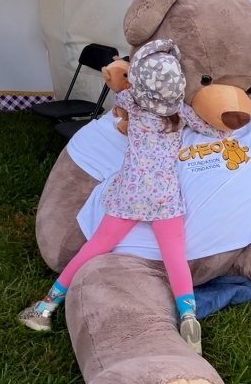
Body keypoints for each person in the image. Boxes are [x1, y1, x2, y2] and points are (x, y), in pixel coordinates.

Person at [19, 40, 203, 355]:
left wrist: (124, 68)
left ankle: (46, 307)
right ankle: (188, 315)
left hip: (130, 194)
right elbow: (209, 127)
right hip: (165, 198)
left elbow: (118, 82)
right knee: (175, 257)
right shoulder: (182, 112)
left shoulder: (130, 101)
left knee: (95, 247)